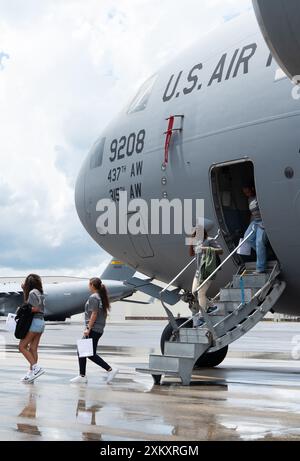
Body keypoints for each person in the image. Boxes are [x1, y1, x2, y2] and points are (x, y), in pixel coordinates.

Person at [70, 278, 118, 385]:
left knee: (86, 352)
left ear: (92, 285)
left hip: (93, 328)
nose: (88, 286)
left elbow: (94, 314)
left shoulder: (93, 297)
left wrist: (88, 328)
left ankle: (110, 370)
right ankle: (82, 376)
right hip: (98, 329)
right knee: (85, 352)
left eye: (89, 284)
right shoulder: (101, 297)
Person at [190, 228, 223, 326]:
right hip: (198, 272)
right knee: (194, 292)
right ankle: (212, 306)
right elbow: (191, 254)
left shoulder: (209, 240)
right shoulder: (196, 242)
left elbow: (220, 251)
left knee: (201, 293)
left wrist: (206, 249)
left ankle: (202, 317)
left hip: (207, 271)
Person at [19, 274, 45, 383]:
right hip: (41, 322)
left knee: (21, 346)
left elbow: (35, 308)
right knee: (33, 348)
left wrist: (22, 310)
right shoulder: (39, 292)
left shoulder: (32, 292)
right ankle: (32, 373)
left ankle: (36, 368)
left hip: (34, 322)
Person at [242, 184, 267, 274]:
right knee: (247, 238)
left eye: (248, 192)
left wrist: (264, 222)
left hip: (263, 221)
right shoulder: (249, 199)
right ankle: (263, 254)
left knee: (259, 242)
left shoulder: (259, 197)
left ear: (252, 189)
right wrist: (250, 224)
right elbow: (252, 213)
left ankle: (260, 268)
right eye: (245, 193)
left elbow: (266, 209)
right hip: (255, 222)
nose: (247, 194)